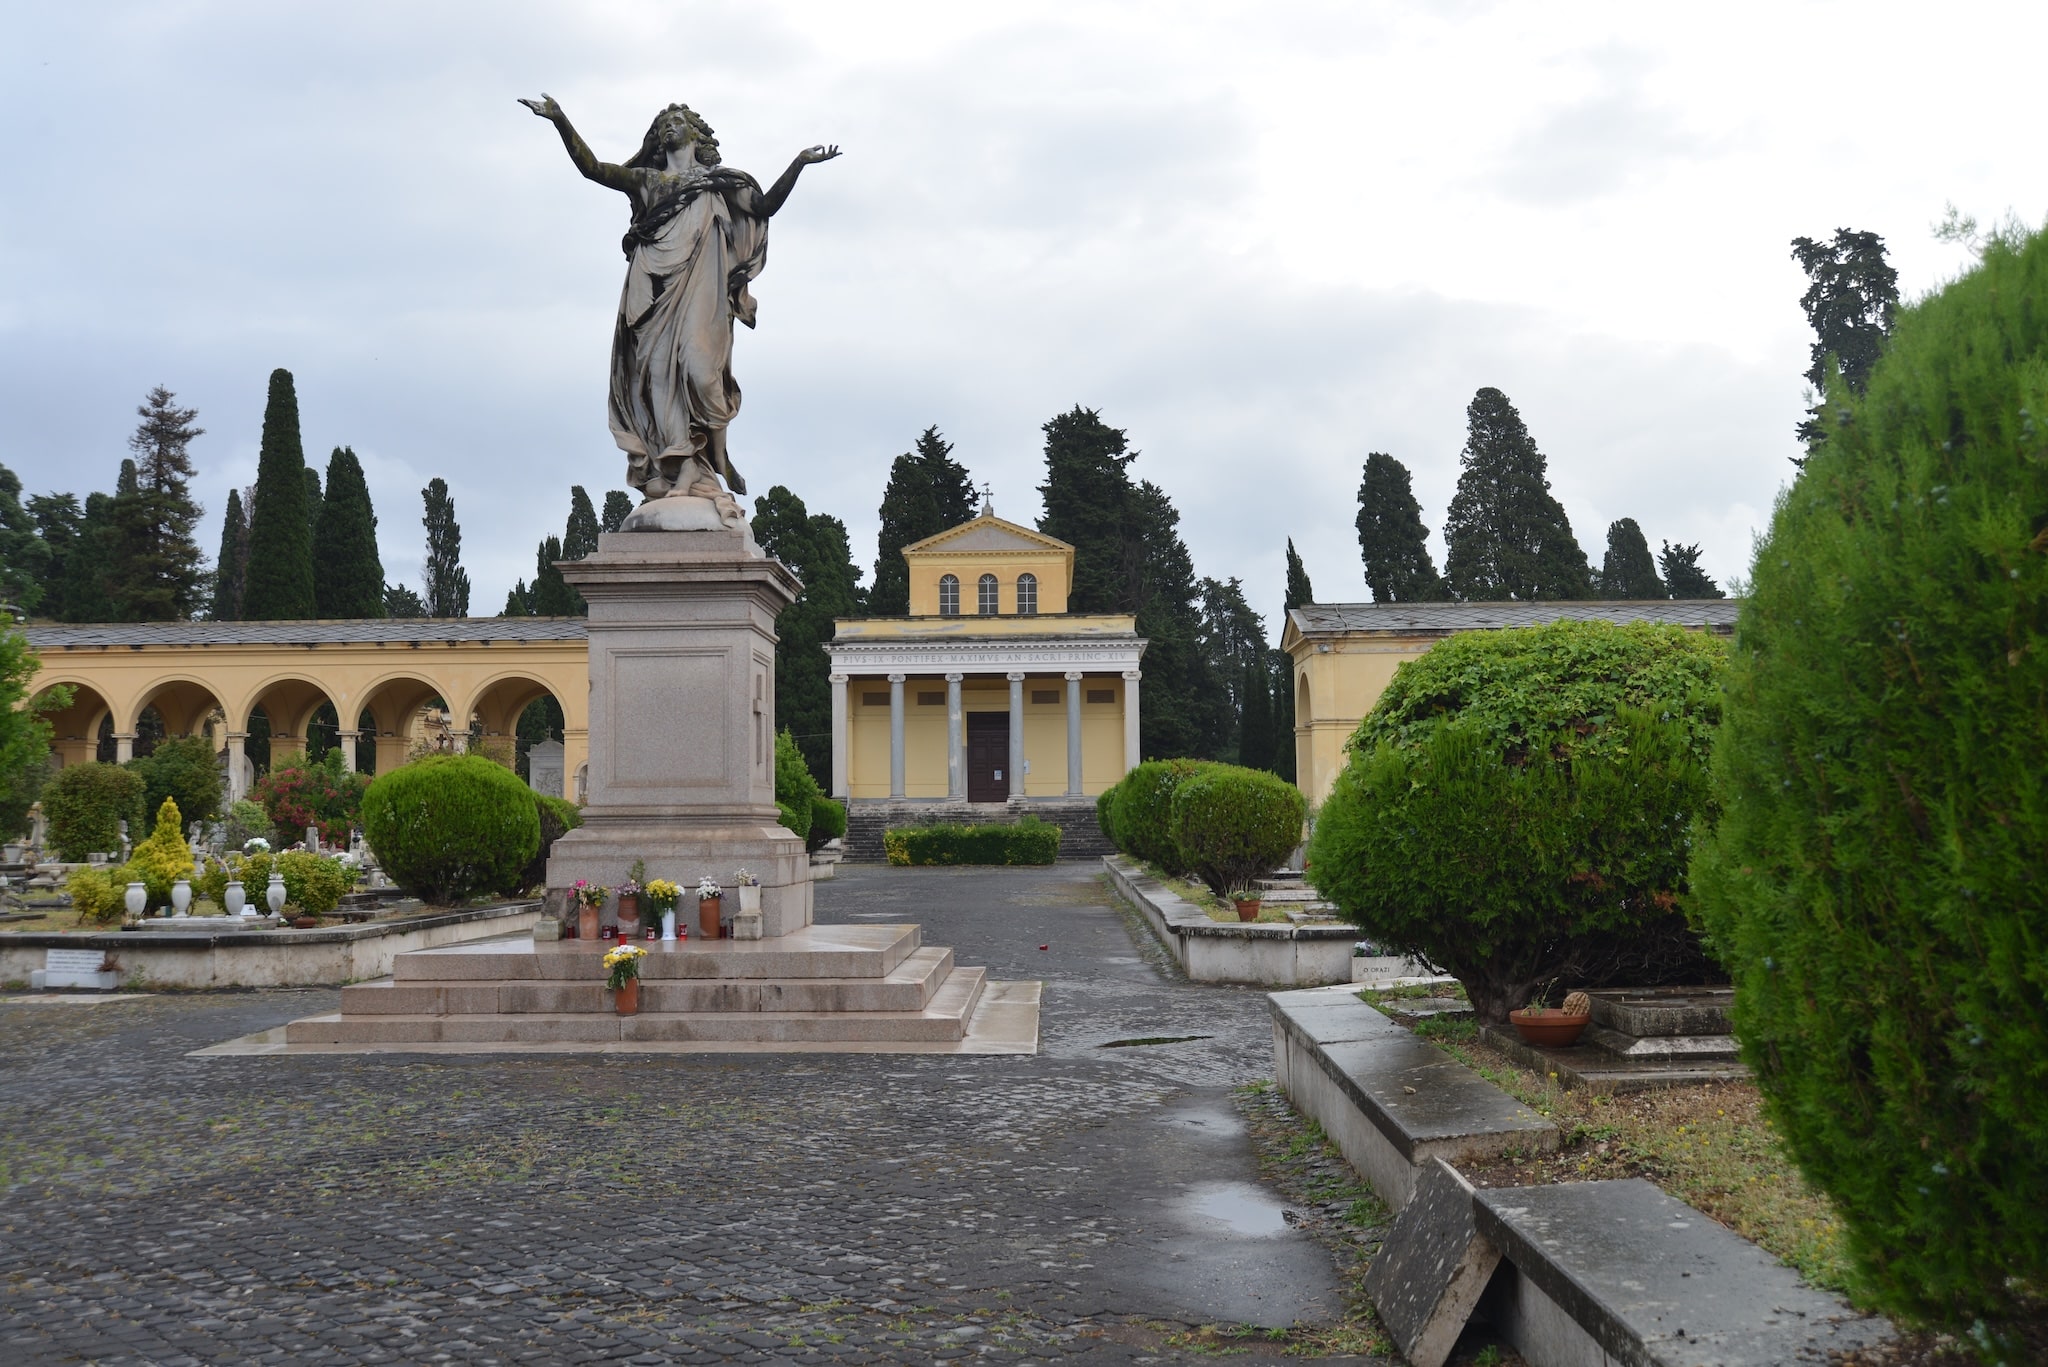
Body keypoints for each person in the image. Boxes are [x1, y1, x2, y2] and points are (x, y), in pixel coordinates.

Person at [519, 94, 839, 510]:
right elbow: (593, 169)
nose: (669, 126)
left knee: (701, 370)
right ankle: (682, 466)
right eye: (663, 122)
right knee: (655, 376)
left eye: (677, 120)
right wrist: (560, 120)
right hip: (653, 289)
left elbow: (764, 207)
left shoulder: (720, 185)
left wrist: (798, 162)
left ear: (694, 133)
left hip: (701, 292)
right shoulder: (648, 182)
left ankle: (712, 458)